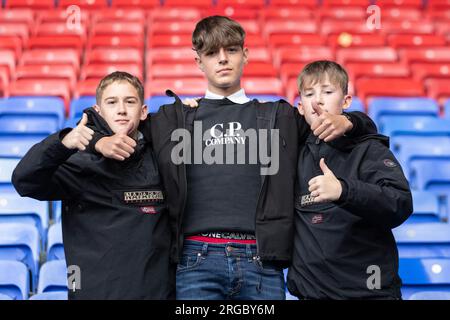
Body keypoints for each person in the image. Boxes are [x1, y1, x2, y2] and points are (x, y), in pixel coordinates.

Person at [90, 16, 377, 300]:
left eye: (231, 50)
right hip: (194, 261)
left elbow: (358, 131)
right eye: (212, 53)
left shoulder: (281, 116)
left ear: (245, 55)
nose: (222, 59)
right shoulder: (172, 118)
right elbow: (110, 126)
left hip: (262, 261)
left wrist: (349, 122)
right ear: (198, 62)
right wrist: (98, 140)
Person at [12, 71, 174, 300]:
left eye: (130, 101)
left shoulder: (163, 159)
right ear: (98, 111)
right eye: (111, 102)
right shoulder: (79, 162)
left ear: (143, 110)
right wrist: (63, 143)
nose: (121, 109)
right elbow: (24, 181)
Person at [286, 60, 413, 300]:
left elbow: (400, 203)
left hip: (370, 294)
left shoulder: (369, 149)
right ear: (301, 107)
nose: (318, 100)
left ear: (346, 101)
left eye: (327, 91)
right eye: (309, 93)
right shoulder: (293, 152)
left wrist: (344, 191)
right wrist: (194, 111)